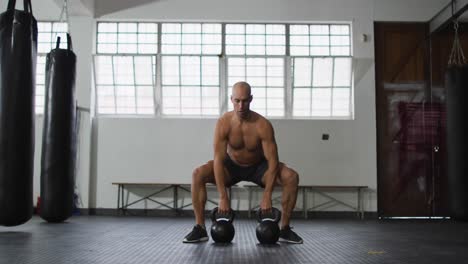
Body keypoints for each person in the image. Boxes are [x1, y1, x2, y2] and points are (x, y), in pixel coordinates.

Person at [183, 81, 303, 244]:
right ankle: (200, 228)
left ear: (251, 99)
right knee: (198, 174)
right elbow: (219, 159)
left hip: (259, 168)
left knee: (291, 177)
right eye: (237, 101)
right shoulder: (224, 123)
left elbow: (273, 160)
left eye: (245, 100)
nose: (241, 106)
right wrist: (222, 196)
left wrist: (267, 195)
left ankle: (285, 229)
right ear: (231, 99)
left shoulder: (262, 125)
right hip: (231, 167)